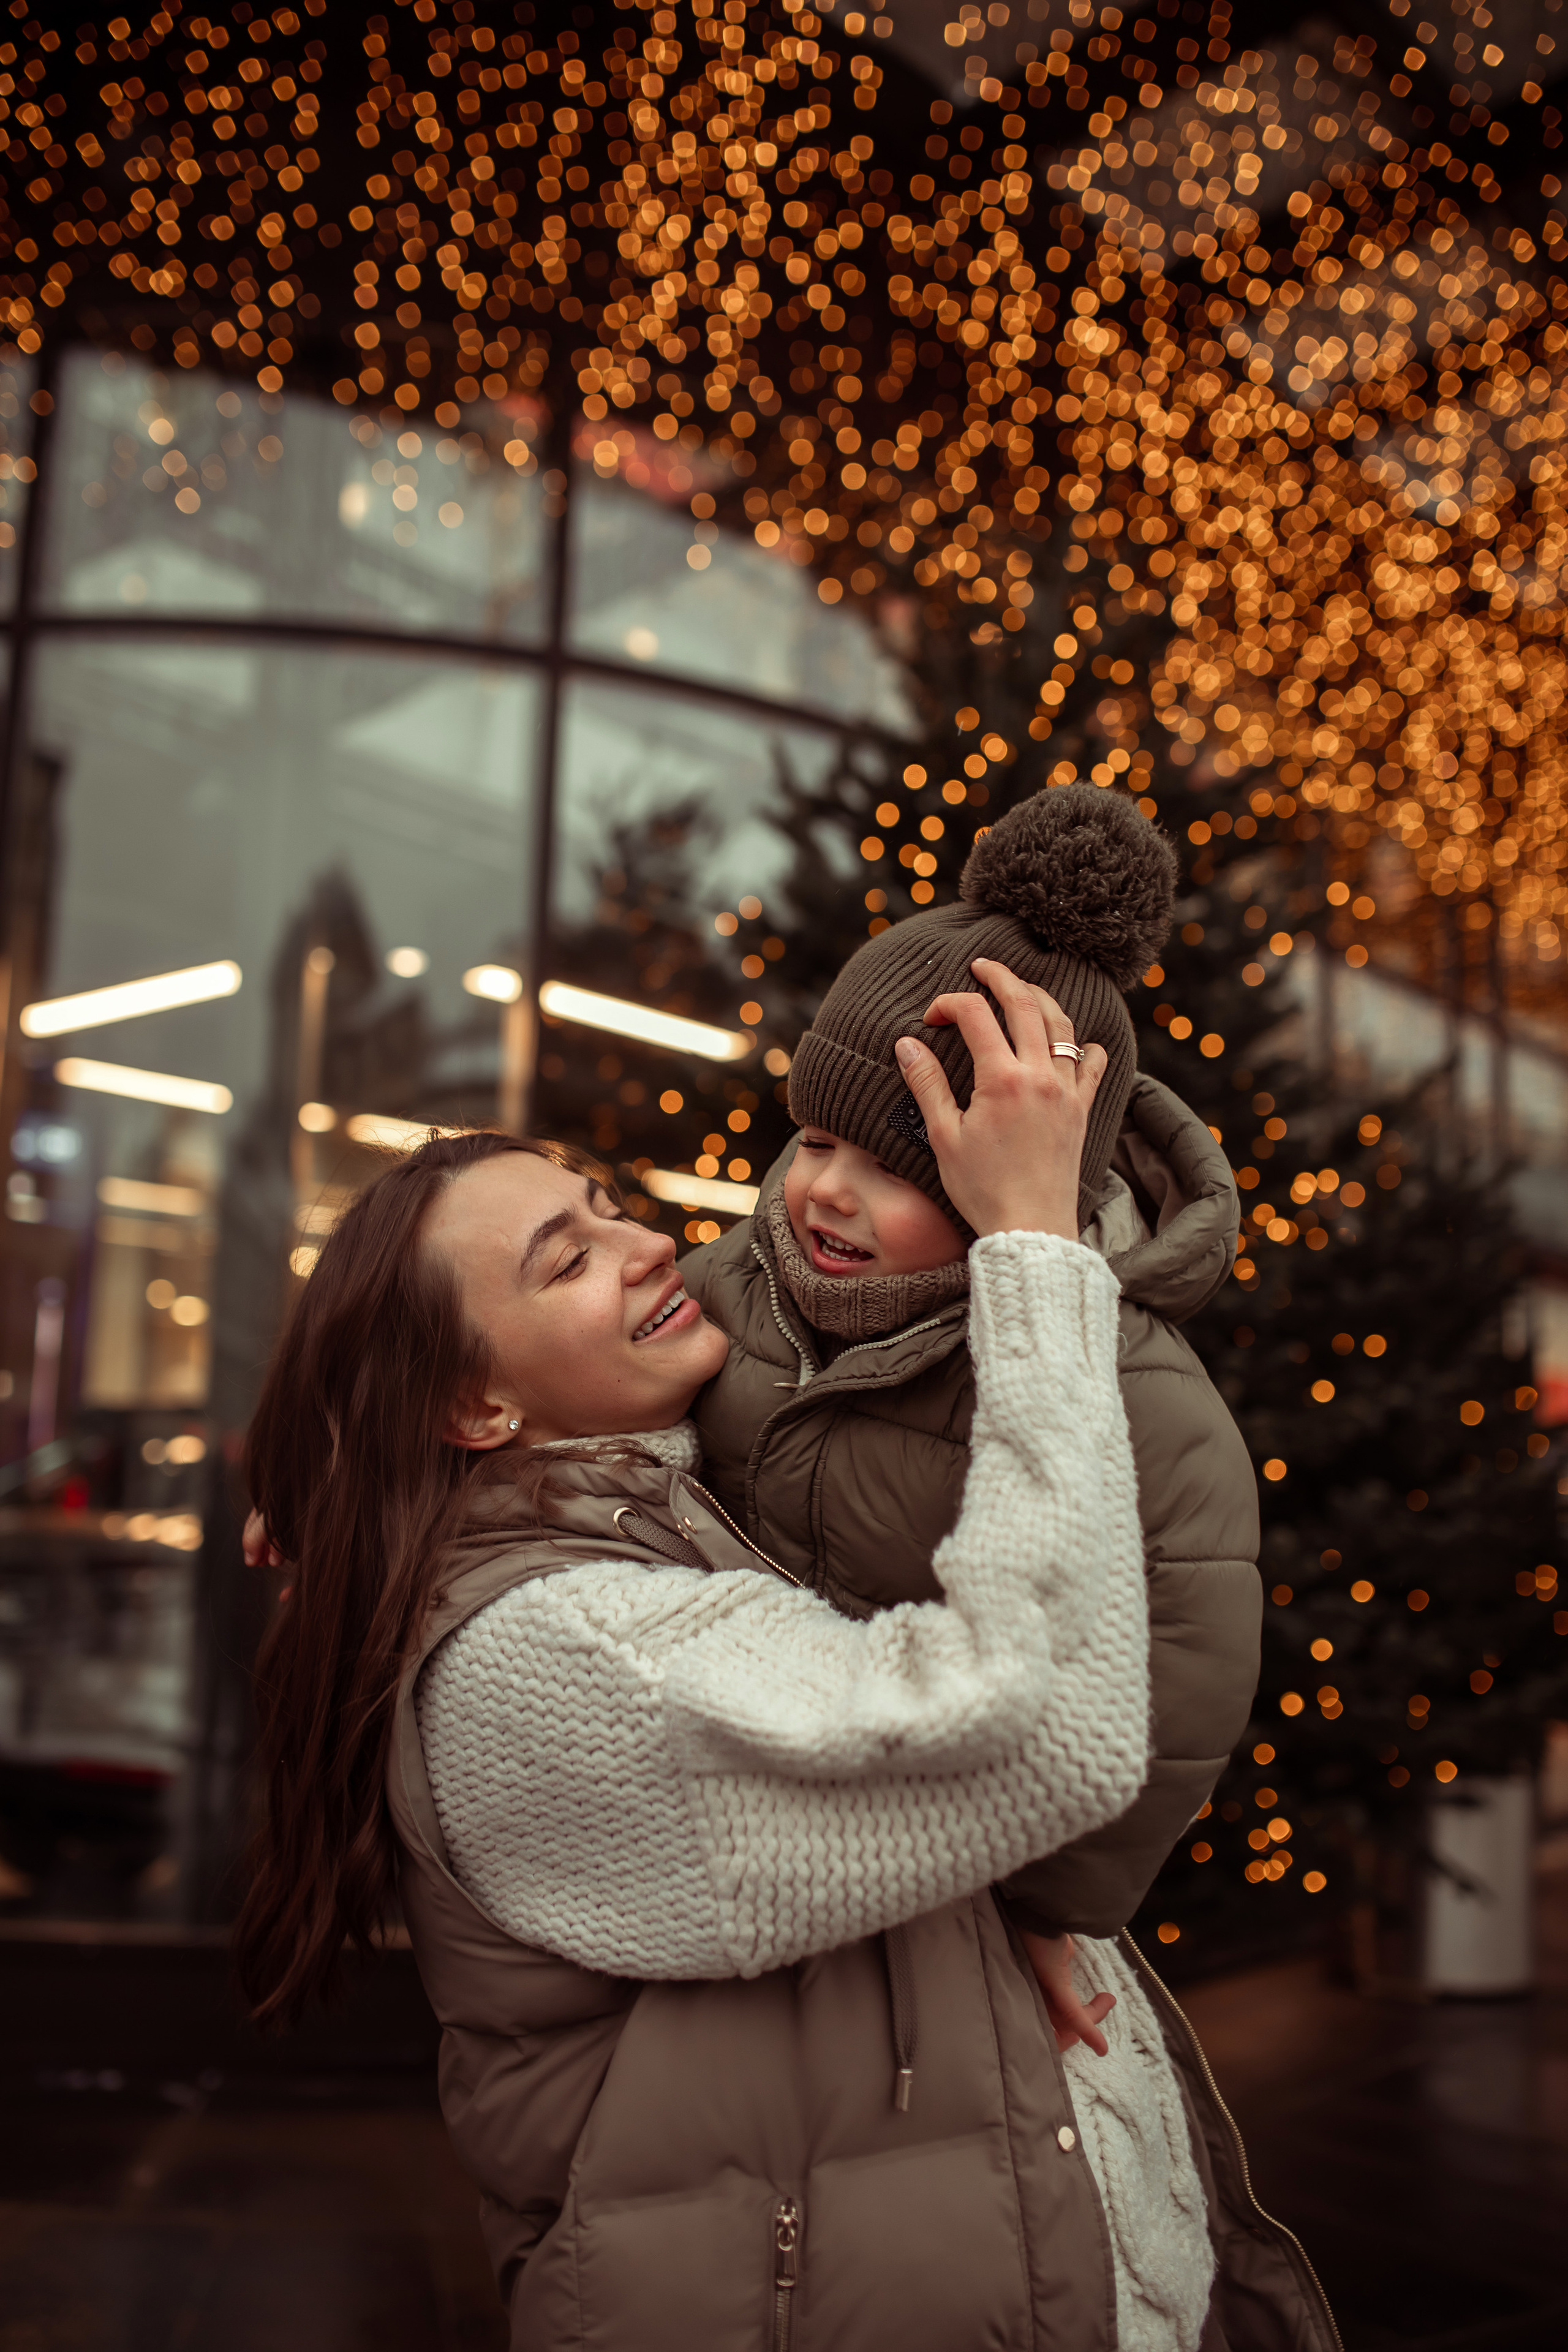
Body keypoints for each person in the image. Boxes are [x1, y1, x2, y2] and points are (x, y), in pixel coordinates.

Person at [684, 785, 1262, 2036]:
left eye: (895, 1168)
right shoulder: (727, 1288)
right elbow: (566, 1416)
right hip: (745, 1859)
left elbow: (1178, 1677)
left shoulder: (1133, 1393)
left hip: (951, 1909)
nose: (823, 1195)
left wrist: (1042, 1907)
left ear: (1017, 1179)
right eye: (818, 1142)